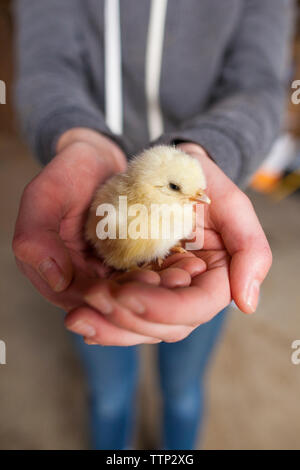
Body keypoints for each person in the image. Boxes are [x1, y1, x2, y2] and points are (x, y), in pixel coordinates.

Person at [12, 0, 292, 450]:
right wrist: (77, 136)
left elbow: (260, 84)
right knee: (108, 394)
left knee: (183, 391)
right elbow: (46, 65)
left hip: (193, 163)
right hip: (110, 176)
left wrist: (208, 151)